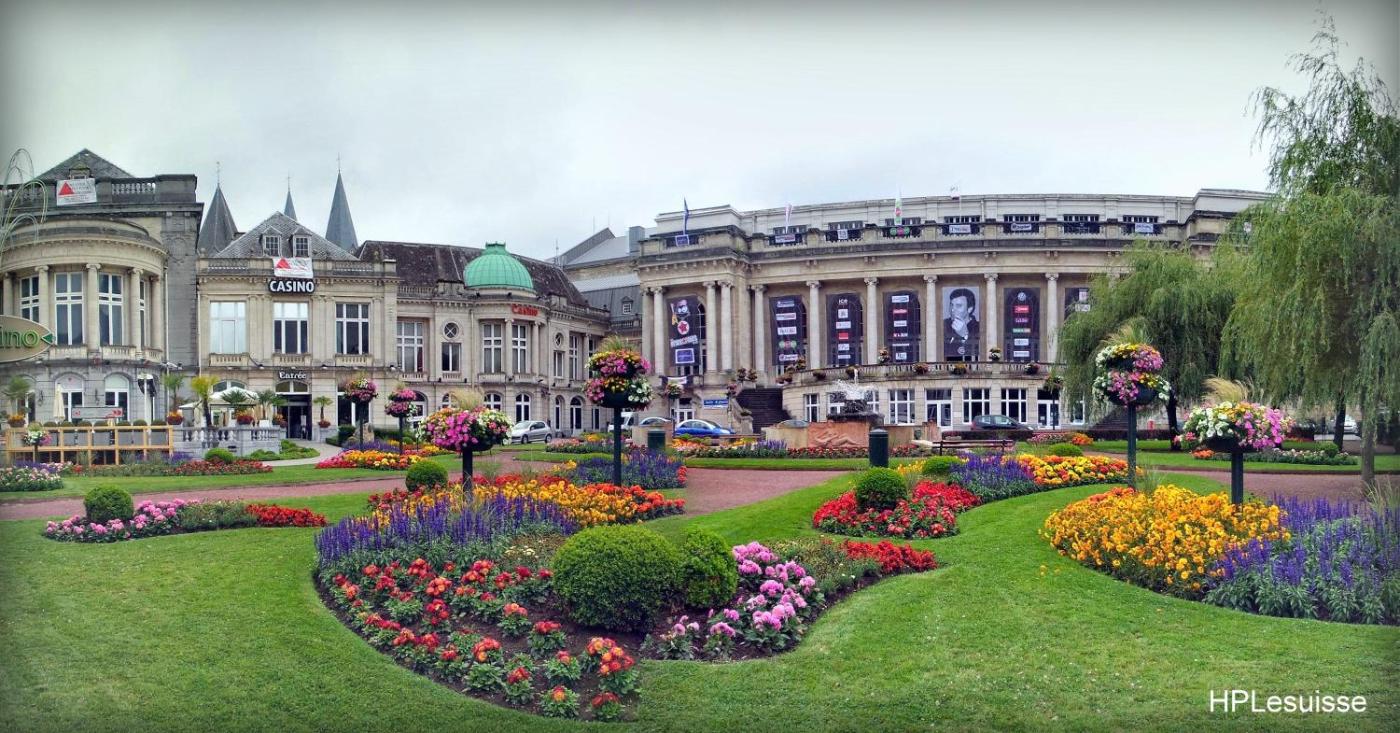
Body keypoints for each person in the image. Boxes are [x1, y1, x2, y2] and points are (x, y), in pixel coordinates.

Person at [943, 288, 980, 361]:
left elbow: (978, 351)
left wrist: (965, 336)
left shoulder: (979, 327)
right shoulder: (943, 325)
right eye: (951, 305)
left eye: (958, 306)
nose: (952, 310)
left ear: (970, 309)